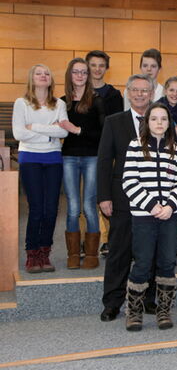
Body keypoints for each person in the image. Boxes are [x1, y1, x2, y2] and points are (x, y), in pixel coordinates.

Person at [121, 102, 177, 331]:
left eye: (164, 119)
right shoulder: (135, 146)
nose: (159, 123)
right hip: (144, 216)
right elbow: (129, 182)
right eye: (154, 119)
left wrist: (169, 206)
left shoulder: (175, 148)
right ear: (147, 122)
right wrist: (151, 206)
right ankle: (134, 313)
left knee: (168, 262)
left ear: (169, 123)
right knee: (143, 263)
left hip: (169, 215)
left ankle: (164, 311)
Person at [97, 74, 155, 322]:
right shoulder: (114, 122)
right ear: (128, 92)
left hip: (153, 198)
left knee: (149, 252)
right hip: (121, 198)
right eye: (136, 90)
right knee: (119, 252)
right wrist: (104, 196)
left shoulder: (160, 120)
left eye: (145, 90)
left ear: (152, 94)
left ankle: (148, 300)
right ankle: (112, 302)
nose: (140, 94)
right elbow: (103, 162)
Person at [13, 64, 69, 273]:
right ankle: (32, 253)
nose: (43, 76)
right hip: (30, 158)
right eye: (39, 73)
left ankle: (45, 252)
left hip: (53, 158)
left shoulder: (59, 104)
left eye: (47, 73)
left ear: (51, 80)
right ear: (32, 78)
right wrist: (49, 133)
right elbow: (19, 133)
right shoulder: (22, 103)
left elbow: (63, 133)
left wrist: (35, 128)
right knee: (36, 209)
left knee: (51, 208)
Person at [61, 58, 105, 270]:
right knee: (72, 206)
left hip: (91, 157)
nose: (80, 75)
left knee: (89, 205)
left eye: (84, 72)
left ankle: (91, 253)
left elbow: (102, 133)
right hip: (68, 156)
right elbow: (59, 130)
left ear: (88, 76)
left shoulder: (96, 101)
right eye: (76, 72)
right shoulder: (62, 102)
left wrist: (77, 130)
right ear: (70, 75)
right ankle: (72, 253)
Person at [85, 50, 123, 117]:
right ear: (87, 67)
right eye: (93, 65)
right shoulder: (80, 93)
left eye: (101, 66)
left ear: (107, 68)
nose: (97, 69)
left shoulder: (115, 95)